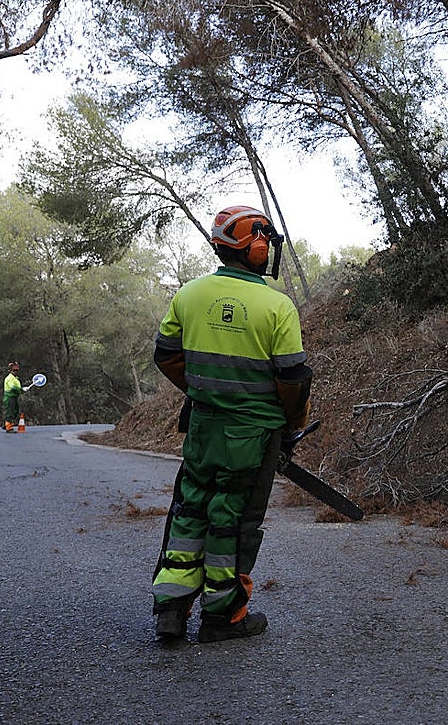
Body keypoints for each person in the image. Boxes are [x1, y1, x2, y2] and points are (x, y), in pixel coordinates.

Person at [150, 205, 312, 644]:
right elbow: (293, 379)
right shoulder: (277, 306)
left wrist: (202, 389)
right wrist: (291, 424)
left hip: (203, 426)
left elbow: (166, 355)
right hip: (254, 433)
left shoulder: (188, 294)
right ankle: (223, 615)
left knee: (191, 508)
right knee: (232, 519)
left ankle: (171, 607)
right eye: (265, 242)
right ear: (255, 245)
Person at [2, 362, 24, 432]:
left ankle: (6, 424)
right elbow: (12, 387)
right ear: (10, 370)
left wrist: (22, 390)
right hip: (9, 397)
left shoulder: (16, 378)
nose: (16, 372)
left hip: (14, 397)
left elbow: (17, 388)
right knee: (10, 412)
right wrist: (21, 389)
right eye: (14, 370)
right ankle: (8, 427)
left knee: (15, 411)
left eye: (17, 370)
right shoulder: (9, 378)